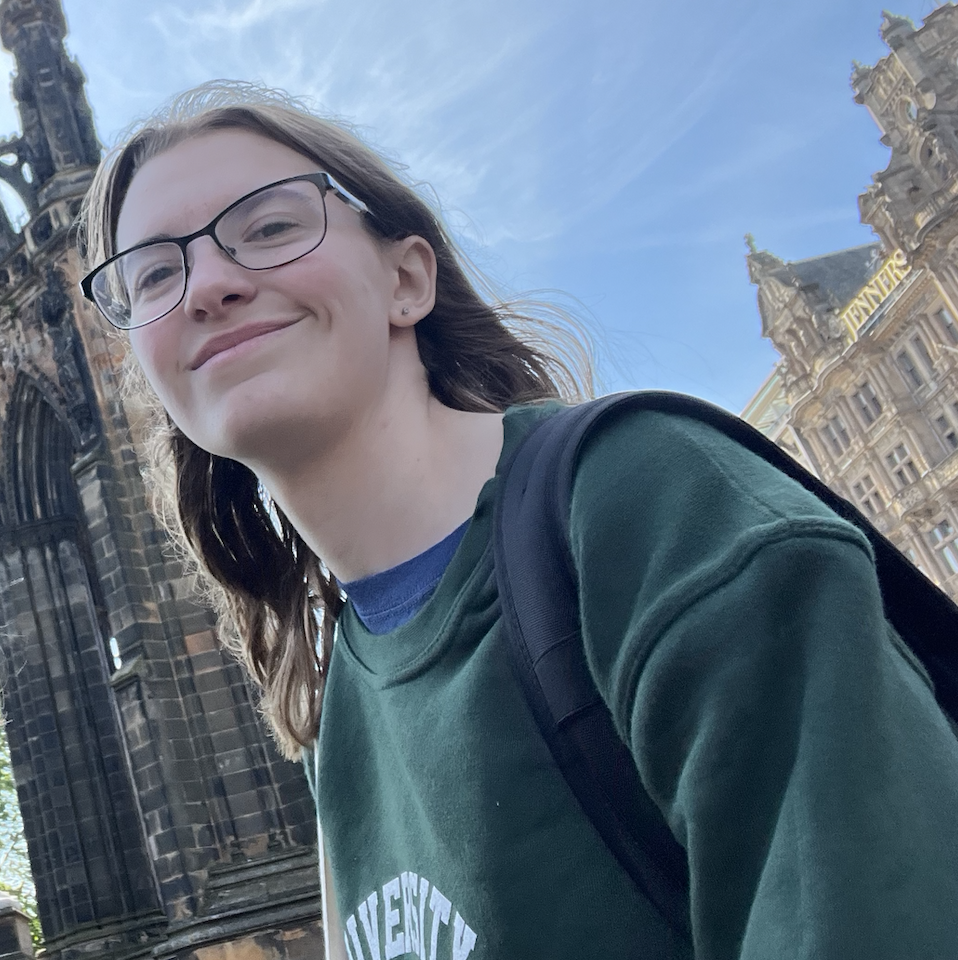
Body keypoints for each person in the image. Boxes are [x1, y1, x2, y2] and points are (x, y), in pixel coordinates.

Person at [77, 79, 958, 960]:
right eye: (156, 272)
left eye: (269, 227)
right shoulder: (340, 699)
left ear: (406, 278)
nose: (211, 286)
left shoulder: (650, 507)